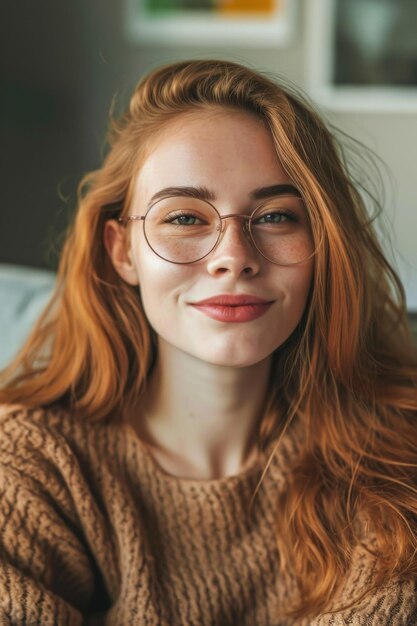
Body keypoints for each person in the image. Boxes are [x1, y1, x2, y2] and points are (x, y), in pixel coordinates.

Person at [0, 59, 416, 626]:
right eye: (184, 218)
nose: (234, 257)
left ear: (323, 244)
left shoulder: (394, 455)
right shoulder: (32, 464)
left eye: (274, 215)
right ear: (122, 252)